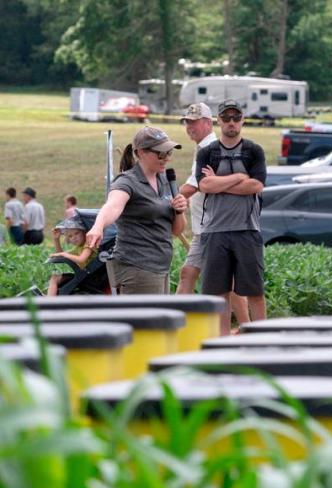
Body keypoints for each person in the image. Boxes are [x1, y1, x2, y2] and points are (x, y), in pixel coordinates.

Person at [195, 100, 268, 336]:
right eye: (226, 118)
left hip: (247, 229)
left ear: (243, 120)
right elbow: (204, 185)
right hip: (214, 231)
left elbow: (256, 185)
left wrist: (220, 183)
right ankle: (222, 341)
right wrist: (238, 176)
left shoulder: (253, 150)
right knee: (218, 292)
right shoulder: (208, 152)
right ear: (218, 121)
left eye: (236, 118)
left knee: (255, 291)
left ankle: (261, 340)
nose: (231, 123)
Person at [85, 126, 188, 294]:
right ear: (140, 153)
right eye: (160, 153)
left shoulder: (166, 180)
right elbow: (112, 206)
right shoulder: (127, 182)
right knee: (143, 320)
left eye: (169, 152)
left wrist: (180, 210)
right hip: (137, 267)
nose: (166, 158)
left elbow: (176, 230)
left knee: (158, 320)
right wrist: (98, 226)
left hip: (161, 267)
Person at [175, 102, 250, 327]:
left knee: (222, 283)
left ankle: (243, 328)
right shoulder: (203, 149)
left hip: (216, 229)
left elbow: (195, 185)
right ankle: (176, 325)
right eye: (187, 122)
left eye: (194, 122)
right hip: (204, 229)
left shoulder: (212, 150)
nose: (190, 127)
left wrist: (167, 199)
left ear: (208, 123)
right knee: (188, 274)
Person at [47, 216, 95, 296]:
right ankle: (49, 301)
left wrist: (64, 254)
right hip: (84, 275)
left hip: (90, 277)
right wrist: (56, 239)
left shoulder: (89, 244)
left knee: (56, 279)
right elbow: (61, 255)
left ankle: (49, 304)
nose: (74, 238)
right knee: (54, 278)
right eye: (70, 236)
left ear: (84, 232)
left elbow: (81, 259)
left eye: (76, 233)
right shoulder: (78, 248)